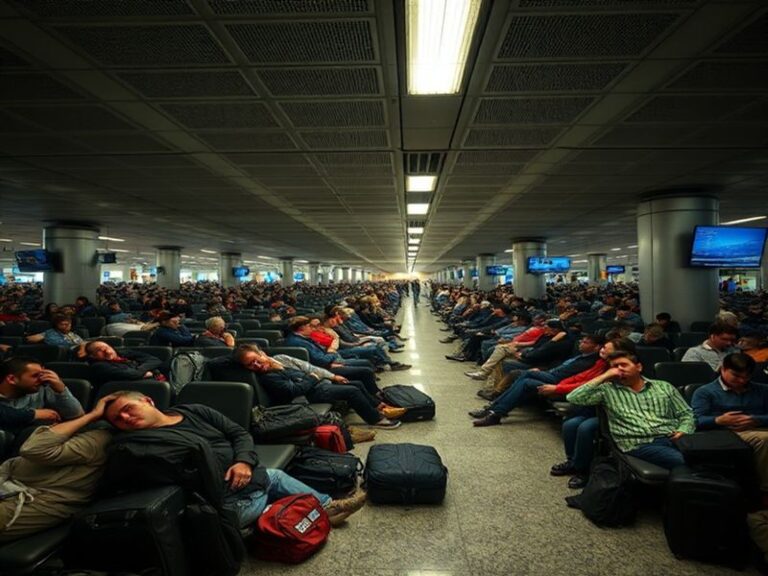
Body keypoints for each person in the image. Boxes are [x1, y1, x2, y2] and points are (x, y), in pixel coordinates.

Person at [103, 391, 366, 528]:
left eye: (128, 409)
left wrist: (243, 461)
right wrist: (92, 415)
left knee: (273, 476)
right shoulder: (142, 445)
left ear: (148, 401)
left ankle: (326, 506)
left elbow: (238, 432)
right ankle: (294, 510)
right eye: (118, 420)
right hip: (223, 503)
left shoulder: (194, 410)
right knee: (270, 481)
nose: (125, 419)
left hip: (246, 478)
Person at [0, 394, 117, 542]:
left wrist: (91, 415)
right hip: (12, 481)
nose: (126, 417)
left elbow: (33, 449)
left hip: (34, 498)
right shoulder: (95, 431)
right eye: (119, 414)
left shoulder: (99, 439)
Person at [567, 351, 695, 469]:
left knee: (709, 457)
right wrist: (604, 376)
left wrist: (683, 429)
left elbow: (686, 413)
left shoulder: (663, 386)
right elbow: (573, 397)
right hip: (640, 444)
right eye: (614, 367)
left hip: (674, 437)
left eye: (623, 365)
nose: (619, 369)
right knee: (685, 461)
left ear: (639, 367)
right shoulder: (607, 390)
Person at [234, 344, 402, 428]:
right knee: (351, 391)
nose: (256, 365)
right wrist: (313, 378)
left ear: (263, 354)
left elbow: (309, 368)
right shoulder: (268, 377)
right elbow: (294, 390)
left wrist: (329, 376)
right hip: (306, 397)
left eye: (257, 359)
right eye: (250, 365)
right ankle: (376, 419)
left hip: (316, 386)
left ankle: (380, 406)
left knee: (355, 383)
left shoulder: (281, 360)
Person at [469, 334, 604, 427]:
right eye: (582, 341)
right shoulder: (581, 356)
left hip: (558, 382)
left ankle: (494, 410)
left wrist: (556, 387)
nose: (581, 343)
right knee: (524, 376)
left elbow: (580, 382)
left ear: (597, 347)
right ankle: (494, 410)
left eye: (585, 342)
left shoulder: (594, 362)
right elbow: (562, 366)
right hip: (554, 376)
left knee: (525, 378)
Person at [691, 352, 768, 502]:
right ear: (723, 369)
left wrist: (756, 419)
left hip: (758, 428)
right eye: (736, 376)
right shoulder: (705, 392)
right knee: (765, 439)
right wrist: (719, 420)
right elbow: (695, 421)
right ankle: (764, 491)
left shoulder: (763, 390)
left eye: (746, 377)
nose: (742, 380)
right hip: (727, 433)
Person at [0, 357, 84, 433]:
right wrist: (34, 414)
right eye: (35, 376)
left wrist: (61, 389)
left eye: (41, 375)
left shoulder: (41, 389)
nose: (41, 379)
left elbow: (75, 414)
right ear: (12, 379)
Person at [85, 341, 168, 388]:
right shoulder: (99, 366)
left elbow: (154, 360)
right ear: (93, 356)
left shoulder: (123, 352)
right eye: (100, 350)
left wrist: (141, 370)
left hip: (159, 377)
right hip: (142, 388)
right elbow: (132, 374)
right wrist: (145, 369)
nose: (107, 351)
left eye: (107, 347)